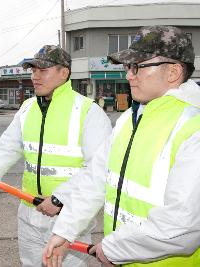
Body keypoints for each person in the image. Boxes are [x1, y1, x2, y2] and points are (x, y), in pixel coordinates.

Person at [43, 25, 200, 267]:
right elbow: (96, 179)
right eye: (127, 66)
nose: (128, 75)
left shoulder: (194, 127)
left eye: (137, 66)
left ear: (173, 72)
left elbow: (182, 225)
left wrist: (113, 248)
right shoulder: (129, 119)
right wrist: (66, 231)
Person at [0, 45, 111, 267]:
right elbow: (7, 148)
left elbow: (99, 169)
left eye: (43, 70)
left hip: (69, 217)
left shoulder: (88, 111)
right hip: (29, 214)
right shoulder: (27, 108)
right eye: (33, 70)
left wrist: (60, 198)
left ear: (64, 72)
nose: (35, 76)